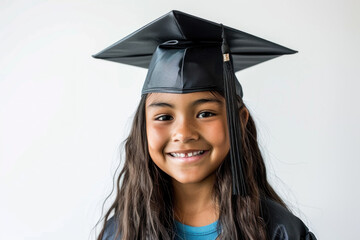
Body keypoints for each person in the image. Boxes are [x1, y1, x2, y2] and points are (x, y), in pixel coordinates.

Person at [93, 10, 317, 240]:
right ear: (143, 128)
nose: (183, 133)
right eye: (164, 117)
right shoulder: (123, 233)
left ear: (239, 121)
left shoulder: (279, 232)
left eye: (205, 113)